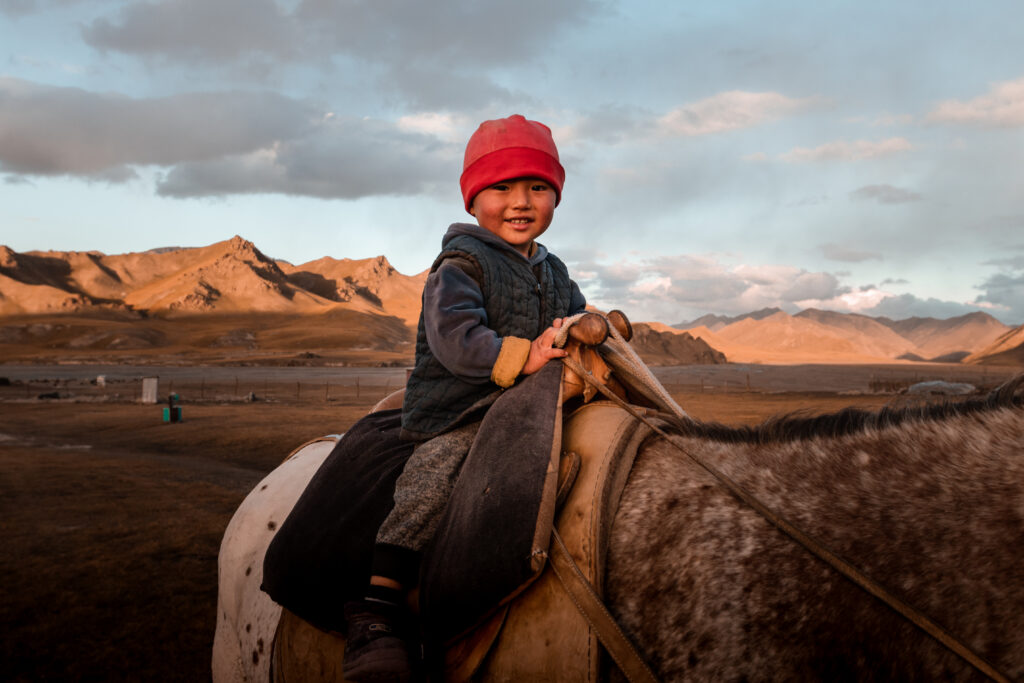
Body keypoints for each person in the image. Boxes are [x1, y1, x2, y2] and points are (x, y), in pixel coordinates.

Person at [342, 114, 587, 682]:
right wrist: (521, 356)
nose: (520, 201)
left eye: (537, 187)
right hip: (461, 405)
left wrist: (588, 326)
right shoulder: (461, 265)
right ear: (475, 199)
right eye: (501, 186)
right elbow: (455, 341)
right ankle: (378, 607)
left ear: (556, 196)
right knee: (435, 478)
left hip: (530, 403)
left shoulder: (553, 268)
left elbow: (573, 313)